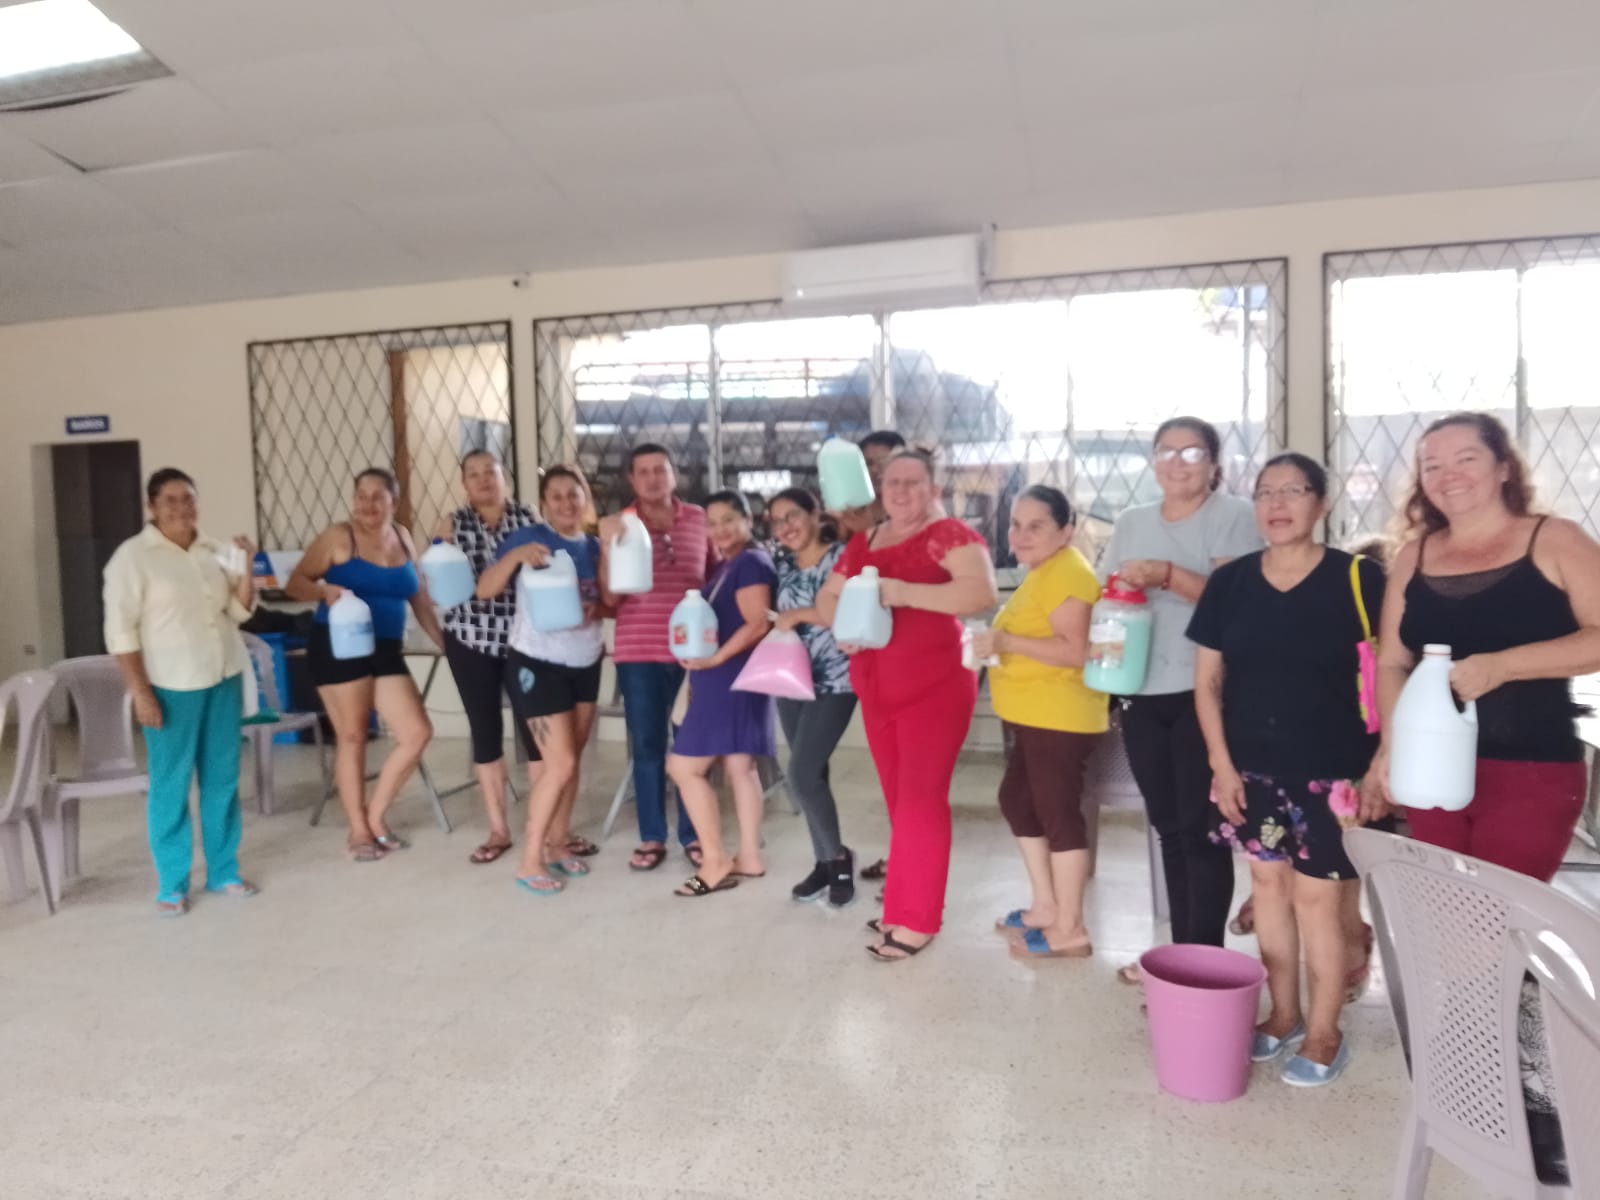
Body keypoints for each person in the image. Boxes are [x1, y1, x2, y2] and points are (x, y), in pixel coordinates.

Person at [1190, 453, 1388, 1088]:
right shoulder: (1230, 583)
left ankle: (1326, 1031)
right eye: (1265, 492)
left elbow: (1394, 672)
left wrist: (1380, 767)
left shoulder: (1360, 578)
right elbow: (1207, 682)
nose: (1277, 504)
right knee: (1268, 891)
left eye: (1294, 491)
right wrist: (1222, 766)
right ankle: (1283, 1014)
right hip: (1253, 772)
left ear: (1321, 503)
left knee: (1317, 901)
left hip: (1334, 775)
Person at [1372, 411, 1600, 879]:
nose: (1448, 475)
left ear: (1504, 467)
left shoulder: (1555, 539)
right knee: (1441, 907)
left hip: (1531, 767)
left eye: (1466, 458)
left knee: (1498, 912)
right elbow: (1392, 662)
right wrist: (1394, 745)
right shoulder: (1414, 556)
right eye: (1432, 466)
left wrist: (1505, 666)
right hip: (1430, 765)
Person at [817, 448, 998, 960]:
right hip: (878, 687)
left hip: (935, 686)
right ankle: (900, 906)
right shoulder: (865, 541)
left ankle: (917, 919)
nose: (900, 490)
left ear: (933, 489)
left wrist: (901, 591)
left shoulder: (949, 535)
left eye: (913, 482)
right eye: (892, 481)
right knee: (900, 801)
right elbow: (829, 596)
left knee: (920, 799)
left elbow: (980, 595)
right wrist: (842, 626)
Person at [1101, 416, 1260, 983]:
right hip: (1141, 688)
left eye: (1192, 453)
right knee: (1168, 826)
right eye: (1166, 451)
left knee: (1201, 831)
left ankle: (1202, 961)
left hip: (1205, 692)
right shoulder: (1131, 521)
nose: (1177, 462)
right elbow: (1108, 595)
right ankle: (1178, 957)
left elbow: (1236, 602)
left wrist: (1167, 574)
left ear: (1214, 465)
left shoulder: (1233, 516)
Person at [103, 469, 260, 915]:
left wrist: (246, 567)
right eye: (170, 500)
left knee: (222, 780)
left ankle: (224, 870)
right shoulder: (132, 558)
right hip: (171, 687)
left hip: (223, 676)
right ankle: (172, 883)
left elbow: (240, 611)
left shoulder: (215, 551)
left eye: (188, 498)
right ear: (151, 507)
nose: (181, 508)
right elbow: (120, 634)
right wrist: (141, 693)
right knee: (171, 785)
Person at [971, 486, 1106, 960]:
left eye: (1036, 526)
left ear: (1065, 531)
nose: (1021, 535)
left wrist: (1006, 643)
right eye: (1015, 524)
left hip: (1060, 716)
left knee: (1058, 815)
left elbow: (1075, 649)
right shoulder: (1044, 572)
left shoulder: (1068, 571)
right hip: (1035, 715)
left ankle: (1070, 928)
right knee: (1017, 801)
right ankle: (1047, 906)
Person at [286, 468, 445, 861]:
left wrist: (445, 643)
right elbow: (295, 582)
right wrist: (323, 591)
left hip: (385, 647)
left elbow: (419, 598)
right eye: (361, 495)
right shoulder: (340, 537)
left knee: (417, 732)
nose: (367, 504)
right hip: (339, 644)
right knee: (353, 736)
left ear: (394, 501)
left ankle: (374, 816)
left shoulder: (403, 537)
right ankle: (358, 830)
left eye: (377, 496)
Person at [474, 465, 604, 896]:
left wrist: (598, 608)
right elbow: (485, 590)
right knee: (559, 762)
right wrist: (514, 558)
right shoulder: (528, 538)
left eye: (574, 494)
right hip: (536, 662)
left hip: (586, 659)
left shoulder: (596, 547)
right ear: (545, 503)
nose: (566, 503)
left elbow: (611, 600)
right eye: (557, 496)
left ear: (585, 498)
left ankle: (558, 842)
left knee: (572, 760)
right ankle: (530, 860)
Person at [598, 444, 719, 872]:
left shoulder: (700, 520)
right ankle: (652, 836)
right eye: (643, 472)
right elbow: (610, 598)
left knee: (691, 745)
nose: (652, 478)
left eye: (660, 470)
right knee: (647, 745)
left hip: (693, 654)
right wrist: (608, 548)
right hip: (639, 653)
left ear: (674, 474)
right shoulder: (620, 525)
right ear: (632, 480)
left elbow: (716, 580)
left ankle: (693, 833)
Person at [666, 492, 778, 897]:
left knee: (683, 768)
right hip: (739, 679)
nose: (720, 529)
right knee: (740, 767)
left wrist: (714, 659)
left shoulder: (749, 563)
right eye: (712, 523)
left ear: (749, 519)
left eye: (729, 519)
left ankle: (714, 861)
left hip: (730, 679)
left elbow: (757, 623)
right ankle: (749, 856)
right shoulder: (735, 564)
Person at [434, 450, 542, 867]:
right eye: (473, 474)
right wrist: (439, 543)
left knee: (536, 733)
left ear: (505, 477)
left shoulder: (528, 518)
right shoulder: (453, 523)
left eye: (489, 472)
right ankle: (499, 830)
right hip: (470, 638)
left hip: (522, 640)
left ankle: (543, 824)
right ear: (464, 483)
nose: (482, 480)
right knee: (485, 732)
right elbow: (439, 577)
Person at [769, 487, 857, 908]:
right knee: (814, 774)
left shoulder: (843, 558)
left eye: (792, 516)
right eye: (777, 521)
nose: (785, 527)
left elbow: (849, 614)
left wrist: (797, 616)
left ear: (814, 514)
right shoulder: (782, 564)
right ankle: (823, 861)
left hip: (836, 680)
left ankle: (839, 859)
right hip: (792, 679)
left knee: (800, 774)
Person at [837, 428, 905, 886]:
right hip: (872, 661)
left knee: (913, 779)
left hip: (915, 663)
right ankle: (902, 854)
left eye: (885, 462)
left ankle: (908, 867)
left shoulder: (918, 522)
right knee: (892, 772)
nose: (877, 472)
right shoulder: (860, 525)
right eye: (869, 464)